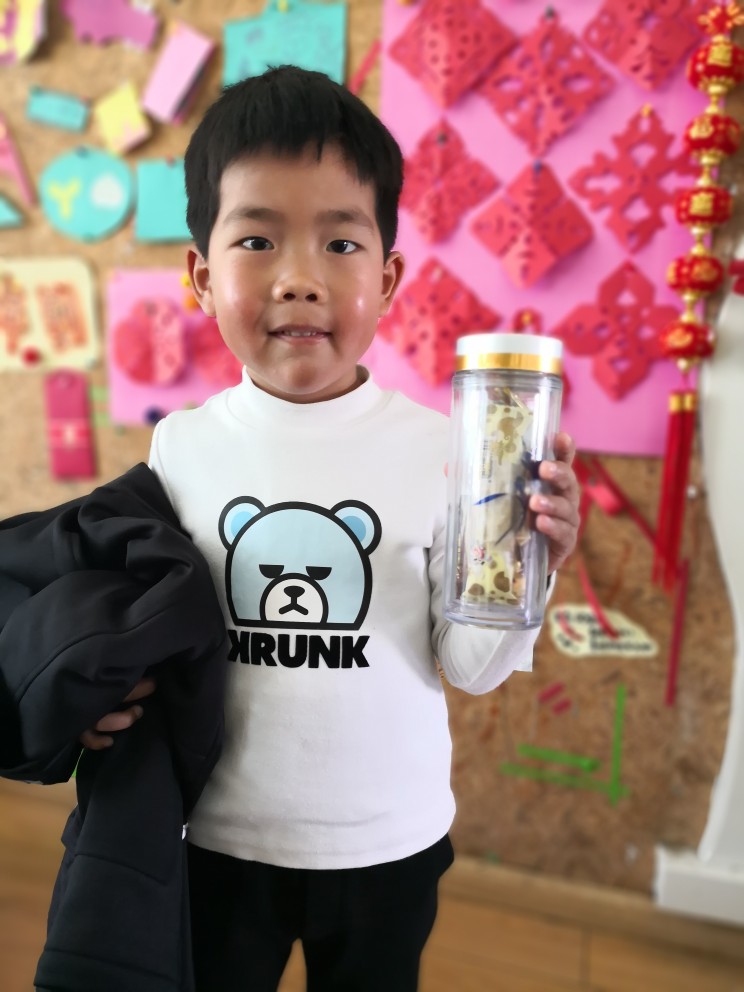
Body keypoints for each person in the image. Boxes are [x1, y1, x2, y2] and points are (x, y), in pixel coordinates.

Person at [82, 66, 581, 992]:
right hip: (217, 836)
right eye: (258, 238)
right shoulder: (180, 447)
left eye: (341, 242)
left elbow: (472, 668)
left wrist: (527, 565)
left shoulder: (443, 453)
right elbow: (154, 630)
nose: (301, 279)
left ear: (387, 280)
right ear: (201, 277)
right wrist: (102, 695)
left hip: (388, 843)